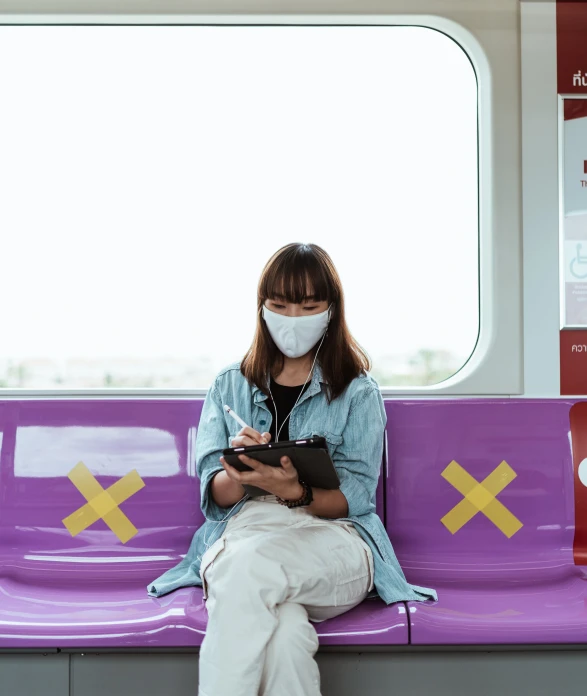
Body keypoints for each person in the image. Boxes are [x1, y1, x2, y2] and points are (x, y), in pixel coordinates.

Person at [147, 242, 437, 696]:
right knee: (283, 635)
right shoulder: (229, 385)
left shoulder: (357, 392)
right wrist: (241, 475)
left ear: (331, 310)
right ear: (262, 308)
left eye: (308, 305)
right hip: (247, 531)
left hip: (334, 541)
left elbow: (355, 497)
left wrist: (295, 492)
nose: (293, 318)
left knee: (243, 570)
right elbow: (213, 495)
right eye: (280, 305)